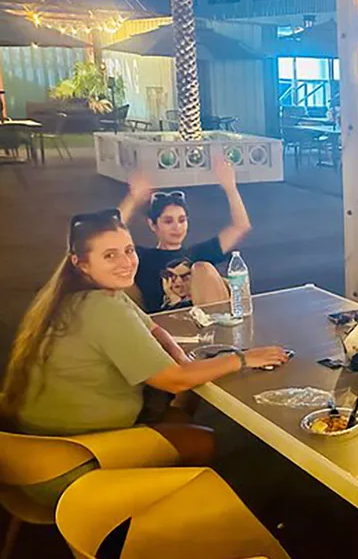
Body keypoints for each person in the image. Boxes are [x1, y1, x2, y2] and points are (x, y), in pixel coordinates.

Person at [0, 210, 288, 509]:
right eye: (110, 255)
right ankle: (165, 511)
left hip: (26, 454)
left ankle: (161, 471)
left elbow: (155, 328)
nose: (126, 262)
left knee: (184, 402)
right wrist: (243, 358)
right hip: (68, 465)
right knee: (208, 441)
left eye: (128, 250)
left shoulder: (77, 293)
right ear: (80, 262)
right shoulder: (102, 308)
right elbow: (173, 380)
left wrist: (180, 358)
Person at [118, 152, 251, 313]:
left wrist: (231, 188)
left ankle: (219, 332)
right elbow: (111, 233)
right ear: (153, 225)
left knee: (202, 267)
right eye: (168, 221)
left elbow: (240, 227)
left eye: (182, 220)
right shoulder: (142, 257)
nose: (177, 227)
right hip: (165, 328)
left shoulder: (198, 253)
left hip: (205, 325)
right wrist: (133, 199)